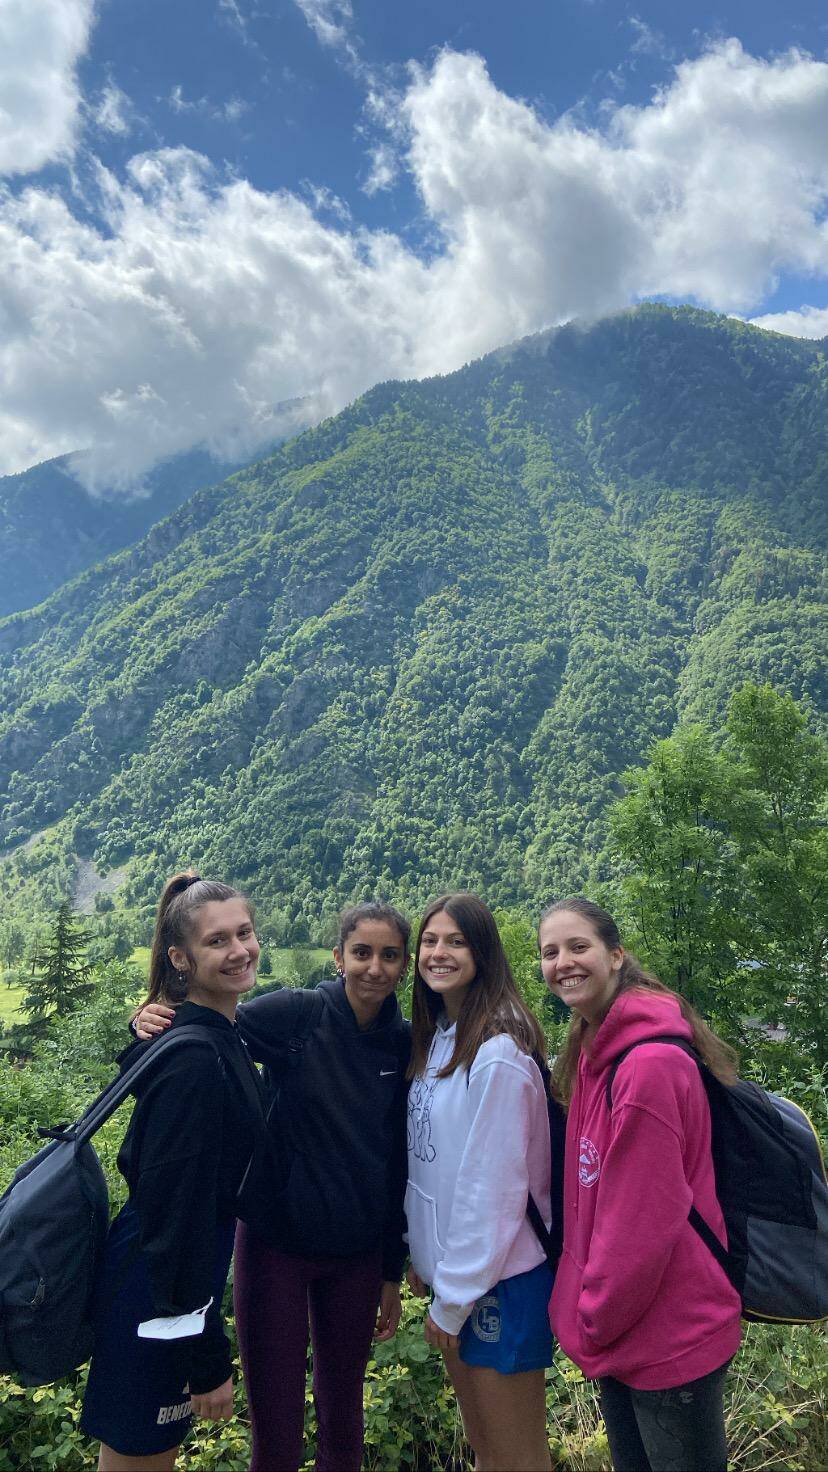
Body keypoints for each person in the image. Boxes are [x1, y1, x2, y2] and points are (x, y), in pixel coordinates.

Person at [133, 901, 411, 1472]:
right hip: (274, 1246)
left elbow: (396, 1162)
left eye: (389, 956)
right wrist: (144, 1026)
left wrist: (390, 1267)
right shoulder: (296, 1016)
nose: (374, 968)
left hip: (356, 1253)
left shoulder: (403, 1043)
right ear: (338, 958)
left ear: (405, 965)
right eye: (361, 953)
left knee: (345, 1420)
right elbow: (198, 1038)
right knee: (276, 1425)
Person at [538, 896, 742, 1472]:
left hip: (669, 1333)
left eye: (579, 947)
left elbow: (639, 1225)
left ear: (617, 955)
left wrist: (591, 1317)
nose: (563, 963)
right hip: (628, 1329)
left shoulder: (647, 1067)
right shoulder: (591, 1047)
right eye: (550, 952)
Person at [81, 873, 269, 1471]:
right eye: (218, 941)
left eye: (245, 933)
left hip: (168, 1284)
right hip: (157, 1290)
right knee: (138, 1457)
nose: (239, 950)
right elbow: (173, 1219)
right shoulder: (196, 1059)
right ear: (182, 959)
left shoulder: (217, 1035)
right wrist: (206, 1357)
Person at [405, 892, 554, 1472]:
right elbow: (433, 1165)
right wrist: (427, 1258)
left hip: (499, 1283)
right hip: (459, 1280)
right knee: (487, 1450)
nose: (439, 953)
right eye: (431, 940)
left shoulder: (496, 1051)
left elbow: (492, 1191)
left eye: (456, 941)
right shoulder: (443, 1033)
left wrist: (455, 1295)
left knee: (516, 1458)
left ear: (483, 952)